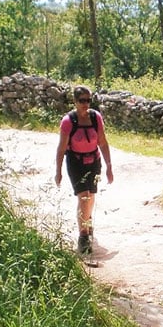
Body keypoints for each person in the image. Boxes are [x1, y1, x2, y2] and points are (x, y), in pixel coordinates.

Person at [55, 85, 114, 254]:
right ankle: (83, 236)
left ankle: (87, 223)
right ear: (74, 101)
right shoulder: (68, 121)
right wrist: (58, 171)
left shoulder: (96, 118)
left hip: (94, 160)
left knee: (91, 196)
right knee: (84, 197)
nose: (85, 104)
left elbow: (102, 142)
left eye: (88, 100)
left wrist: (109, 166)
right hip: (75, 162)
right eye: (82, 101)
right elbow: (61, 148)